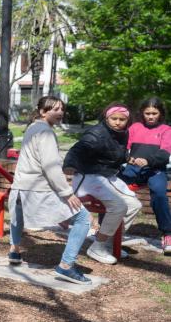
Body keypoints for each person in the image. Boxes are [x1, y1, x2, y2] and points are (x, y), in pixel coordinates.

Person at [6, 96, 93, 283]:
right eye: (54, 109)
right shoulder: (45, 132)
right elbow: (50, 166)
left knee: (18, 214)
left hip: (21, 186)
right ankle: (66, 266)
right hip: (37, 189)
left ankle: (14, 250)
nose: (60, 112)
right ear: (42, 112)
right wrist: (67, 193)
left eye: (62, 109)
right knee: (84, 218)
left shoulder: (32, 128)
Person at [64, 103, 142, 264]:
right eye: (114, 118)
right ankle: (98, 247)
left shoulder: (122, 133)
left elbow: (116, 153)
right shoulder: (96, 133)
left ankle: (108, 242)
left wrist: (129, 159)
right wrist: (69, 165)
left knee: (134, 205)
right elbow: (76, 150)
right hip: (89, 178)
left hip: (107, 177)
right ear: (107, 117)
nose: (118, 122)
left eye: (122, 119)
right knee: (119, 206)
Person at [120, 97, 171, 254]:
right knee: (114, 189)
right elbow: (123, 148)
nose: (150, 116)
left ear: (160, 113)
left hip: (155, 170)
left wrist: (148, 160)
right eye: (147, 113)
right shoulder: (135, 127)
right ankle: (107, 231)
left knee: (159, 193)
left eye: (154, 113)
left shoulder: (166, 130)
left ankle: (167, 233)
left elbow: (164, 154)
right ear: (142, 113)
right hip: (133, 169)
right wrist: (128, 159)